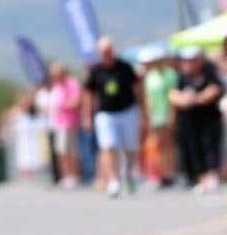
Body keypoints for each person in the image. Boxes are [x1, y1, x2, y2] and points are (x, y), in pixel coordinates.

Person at [84, 37, 145, 198]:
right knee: (108, 146)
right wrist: (87, 116)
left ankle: (130, 173)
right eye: (103, 52)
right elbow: (89, 94)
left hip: (127, 110)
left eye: (108, 50)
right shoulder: (96, 71)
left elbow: (138, 90)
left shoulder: (125, 67)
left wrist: (143, 113)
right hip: (105, 113)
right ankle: (113, 180)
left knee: (130, 147)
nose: (106, 54)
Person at [169, 46, 224, 194]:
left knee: (210, 147)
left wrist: (197, 99)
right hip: (190, 121)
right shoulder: (182, 77)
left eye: (192, 61)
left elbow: (215, 89)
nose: (189, 64)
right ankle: (200, 178)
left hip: (209, 118)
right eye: (186, 61)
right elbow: (173, 94)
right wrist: (183, 100)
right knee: (194, 149)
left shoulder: (208, 71)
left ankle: (212, 175)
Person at [139, 47, 177, 188]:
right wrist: (147, 116)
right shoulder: (149, 77)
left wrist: (172, 115)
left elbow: (172, 95)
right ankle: (161, 174)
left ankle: (170, 173)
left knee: (168, 145)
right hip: (155, 116)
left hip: (166, 113)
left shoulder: (170, 74)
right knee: (158, 146)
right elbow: (148, 98)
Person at [48, 62, 82, 189]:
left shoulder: (71, 83)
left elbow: (77, 101)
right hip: (57, 123)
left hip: (68, 122)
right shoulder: (56, 85)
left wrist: (63, 105)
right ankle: (66, 176)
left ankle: (73, 176)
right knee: (60, 151)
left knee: (69, 151)